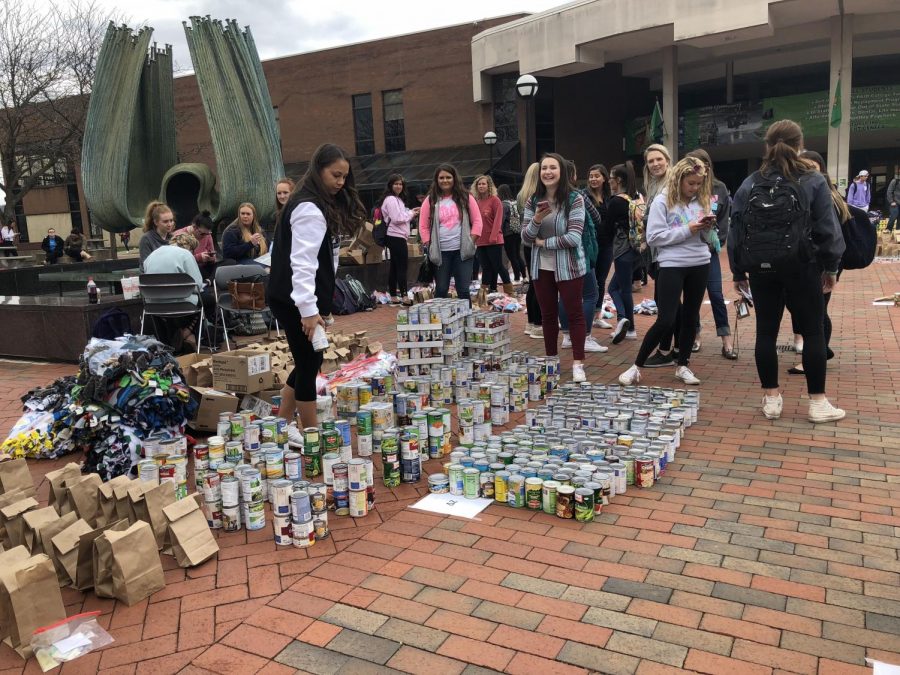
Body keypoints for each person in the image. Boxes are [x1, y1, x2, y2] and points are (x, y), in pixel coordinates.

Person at [728, 119, 846, 423]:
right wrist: (830, 266)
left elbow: (736, 230)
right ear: (800, 145)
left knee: (766, 332)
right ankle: (817, 403)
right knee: (813, 331)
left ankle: (771, 398)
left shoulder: (751, 181)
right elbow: (827, 230)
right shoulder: (813, 180)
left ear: (767, 146)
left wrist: (738, 271)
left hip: (762, 268)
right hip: (803, 266)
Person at [268, 143, 366, 428]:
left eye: (344, 176)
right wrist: (309, 311)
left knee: (306, 360)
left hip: (293, 297)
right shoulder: (309, 208)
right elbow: (303, 263)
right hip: (294, 299)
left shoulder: (310, 202)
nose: (341, 182)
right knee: (310, 363)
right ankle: (310, 432)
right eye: (335, 175)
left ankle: (283, 425)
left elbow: (324, 259)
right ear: (318, 170)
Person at [618, 156, 713, 387]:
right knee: (666, 319)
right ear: (678, 179)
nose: (695, 188)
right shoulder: (662, 202)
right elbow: (653, 238)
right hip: (672, 264)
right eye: (691, 183)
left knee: (691, 317)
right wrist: (688, 229)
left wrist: (707, 229)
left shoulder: (701, 200)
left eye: (699, 184)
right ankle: (636, 366)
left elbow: (706, 239)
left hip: (700, 261)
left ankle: (683, 365)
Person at [787, 149, 865, 376]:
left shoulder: (828, 196)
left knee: (816, 311)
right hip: (813, 260)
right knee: (807, 308)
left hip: (824, 260)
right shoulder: (808, 193)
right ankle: (820, 350)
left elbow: (830, 233)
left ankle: (815, 356)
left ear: (822, 169)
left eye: (812, 166)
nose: (808, 171)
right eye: (803, 167)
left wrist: (829, 266)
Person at [522, 152, 589, 383]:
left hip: (569, 266)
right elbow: (525, 237)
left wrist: (543, 242)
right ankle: (551, 360)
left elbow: (574, 238)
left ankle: (578, 362)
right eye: (544, 169)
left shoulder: (574, 199)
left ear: (561, 171)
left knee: (574, 313)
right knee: (548, 315)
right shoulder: (533, 201)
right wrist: (537, 220)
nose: (548, 172)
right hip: (542, 267)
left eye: (553, 168)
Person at [686, 148, 736, 360]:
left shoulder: (719, 187)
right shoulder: (686, 188)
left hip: (710, 250)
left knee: (716, 293)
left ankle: (726, 339)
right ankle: (695, 335)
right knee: (692, 297)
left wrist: (718, 242)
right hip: (688, 249)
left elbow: (724, 218)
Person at [559, 160, 607, 353]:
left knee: (565, 294)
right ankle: (585, 336)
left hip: (558, 252)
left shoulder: (549, 196)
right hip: (580, 250)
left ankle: (567, 336)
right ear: (571, 176)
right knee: (590, 293)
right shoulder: (578, 195)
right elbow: (596, 217)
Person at [419, 164, 483, 302]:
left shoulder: (466, 197)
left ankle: (466, 321)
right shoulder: (430, 200)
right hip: (441, 253)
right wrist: (428, 244)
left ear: (454, 179)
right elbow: (423, 226)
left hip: (463, 251)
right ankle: (440, 322)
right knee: (441, 289)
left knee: (463, 290)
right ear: (436, 180)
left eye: (448, 177)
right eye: (441, 178)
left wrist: (471, 241)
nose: (445, 180)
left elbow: (478, 221)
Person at [143, 232, 208, 352]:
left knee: (175, 306)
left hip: (154, 306)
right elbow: (197, 285)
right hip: (182, 305)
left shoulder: (152, 255)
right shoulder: (185, 254)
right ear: (190, 247)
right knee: (207, 300)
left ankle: (177, 337)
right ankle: (188, 334)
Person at [607, 161, 642, 344]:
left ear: (618, 180)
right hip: (638, 250)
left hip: (622, 251)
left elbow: (606, 229)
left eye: (611, 179)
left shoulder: (616, 202)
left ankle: (626, 322)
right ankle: (627, 325)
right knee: (616, 287)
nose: (609, 182)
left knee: (620, 289)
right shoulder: (636, 197)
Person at [379, 174, 420, 304]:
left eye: (401, 184)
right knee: (402, 266)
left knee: (395, 267)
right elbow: (397, 218)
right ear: (391, 185)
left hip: (397, 236)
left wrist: (410, 211)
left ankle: (393, 295)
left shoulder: (397, 199)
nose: (398, 186)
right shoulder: (391, 199)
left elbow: (400, 215)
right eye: (396, 183)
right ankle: (404, 296)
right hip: (395, 236)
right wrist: (412, 213)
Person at [472, 174, 511, 294]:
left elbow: (498, 219)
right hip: (480, 240)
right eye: (479, 184)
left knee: (498, 266)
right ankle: (485, 293)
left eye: (484, 183)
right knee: (486, 268)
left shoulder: (495, 200)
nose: (481, 186)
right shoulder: (476, 202)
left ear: (489, 186)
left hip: (493, 240)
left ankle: (510, 291)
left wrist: (493, 236)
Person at [585, 164, 613, 330]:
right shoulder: (585, 196)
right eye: (591, 176)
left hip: (607, 244)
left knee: (601, 280)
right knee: (590, 281)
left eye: (597, 176)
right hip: (591, 244)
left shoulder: (609, 196)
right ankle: (585, 315)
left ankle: (597, 315)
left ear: (604, 178)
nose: (593, 179)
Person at [518, 163, 542, 338]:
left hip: (527, 243)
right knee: (538, 285)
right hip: (537, 242)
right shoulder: (536, 197)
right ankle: (537, 324)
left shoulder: (522, 194)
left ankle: (531, 323)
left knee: (533, 284)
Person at [173, 211, 217, 279]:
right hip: (189, 269)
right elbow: (179, 262)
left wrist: (211, 258)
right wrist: (198, 258)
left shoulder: (207, 235)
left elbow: (212, 254)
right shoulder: (179, 236)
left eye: (208, 233)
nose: (205, 236)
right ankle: (210, 279)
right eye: (202, 234)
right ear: (194, 227)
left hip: (205, 267)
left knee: (229, 263)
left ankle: (210, 279)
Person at [498, 184, 526, 284]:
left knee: (512, 256)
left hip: (508, 233)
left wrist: (498, 231)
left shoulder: (503, 205)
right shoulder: (515, 203)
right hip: (517, 232)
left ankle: (517, 278)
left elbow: (501, 220)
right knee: (518, 255)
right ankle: (525, 276)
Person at [138, 201, 174, 268]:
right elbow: (145, 266)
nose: (169, 224)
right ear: (156, 222)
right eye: (165, 221)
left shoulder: (173, 238)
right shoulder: (146, 239)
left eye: (171, 220)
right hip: (153, 276)